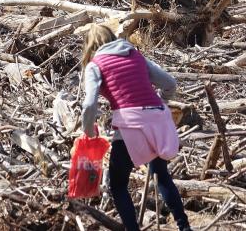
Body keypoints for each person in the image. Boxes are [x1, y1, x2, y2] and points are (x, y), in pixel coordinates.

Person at [80, 25, 192, 231]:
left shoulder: (95, 65)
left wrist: (88, 132)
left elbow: (89, 104)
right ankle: (184, 227)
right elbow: (170, 83)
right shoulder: (136, 55)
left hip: (130, 123)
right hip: (158, 118)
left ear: (90, 46)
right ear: (113, 37)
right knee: (161, 174)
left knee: (118, 184)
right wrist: (160, 102)